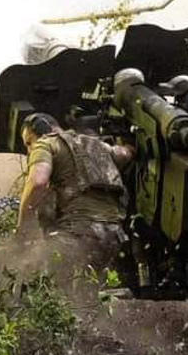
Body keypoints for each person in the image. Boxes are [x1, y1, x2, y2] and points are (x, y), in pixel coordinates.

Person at [17, 112, 133, 275]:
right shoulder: (95, 144)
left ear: (43, 128)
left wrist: (22, 228)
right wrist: (130, 146)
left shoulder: (46, 143)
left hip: (78, 235)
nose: (29, 149)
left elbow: (38, 183)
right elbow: (124, 155)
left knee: (30, 270)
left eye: (29, 142)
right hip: (113, 238)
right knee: (87, 285)